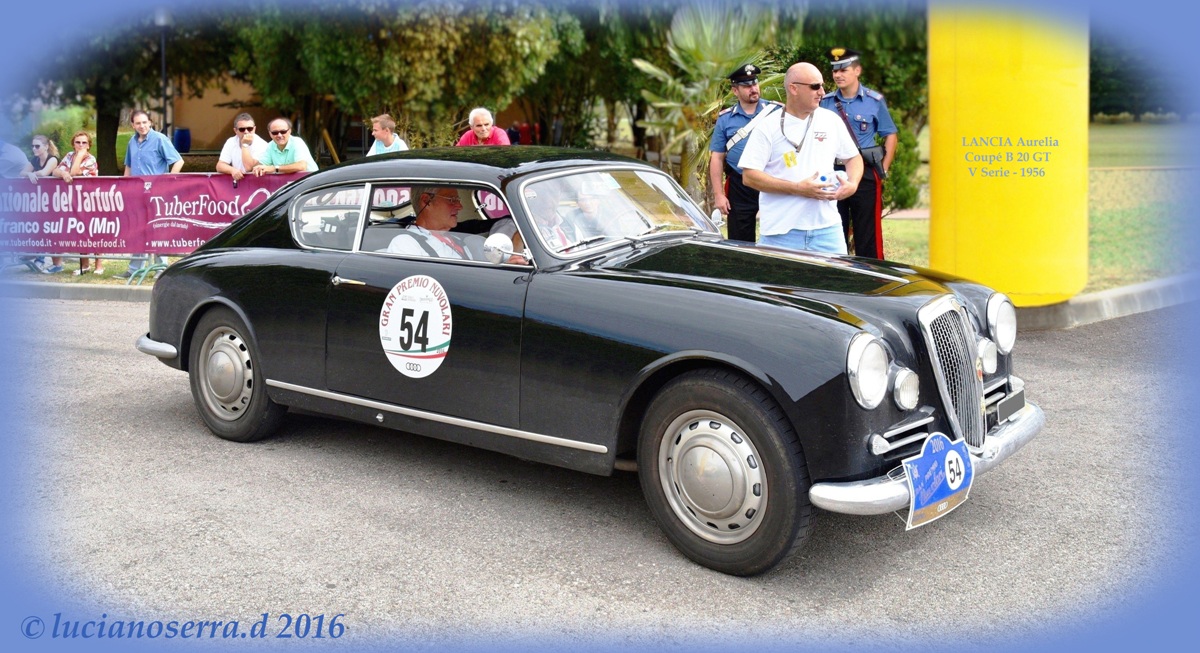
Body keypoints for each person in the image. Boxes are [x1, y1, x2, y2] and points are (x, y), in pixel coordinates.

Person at [739, 62, 863, 255]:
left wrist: (853, 184)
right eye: (815, 86)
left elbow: (853, 158)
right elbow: (749, 176)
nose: (822, 92)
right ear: (793, 88)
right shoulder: (767, 126)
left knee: (835, 276)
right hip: (780, 233)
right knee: (778, 278)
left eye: (822, 86)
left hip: (827, 230)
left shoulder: (831, 120)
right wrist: (797, 189)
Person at [820, 47, 898, 259]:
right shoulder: (825, 102)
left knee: (868, 230)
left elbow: (890, 134)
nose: (838, 75)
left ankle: (871, 272)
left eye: (843, 70)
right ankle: (837, 271)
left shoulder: (874, 101)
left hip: (864, 171)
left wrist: (884, 168)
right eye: (835, 71)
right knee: (833, 227)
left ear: (857, 71)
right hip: (833, 171)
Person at [709, 63, 782, 243]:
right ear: (735, 91)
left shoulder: (776, 111)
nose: (753, 89)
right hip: (740, 185)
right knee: (740, 240)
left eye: (755, 83)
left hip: (772, 180)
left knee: (778, 236)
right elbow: (717, 157)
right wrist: (719, 194)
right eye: (747, 86)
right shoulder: (726, 118)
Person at [121, 110, 184, 279]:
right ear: (133, 125)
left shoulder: (160, 139)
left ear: (150, 122)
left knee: (158, 229)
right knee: (137, 229)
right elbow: (128, 166)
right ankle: (134, 268)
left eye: (144, 122)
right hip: (136, 193)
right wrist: (125, 187)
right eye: (138, 123)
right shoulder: (132, 142)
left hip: (157, 194)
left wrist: (168, 181)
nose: (142, 126)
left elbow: (178, 161)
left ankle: (160, 268)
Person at [54, 131, 104, 275]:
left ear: (89, 145)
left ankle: (99, 266)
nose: (81, 145)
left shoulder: (90, 159)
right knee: (80, 231)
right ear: (73, 144)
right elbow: (55, 171)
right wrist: (63, 173)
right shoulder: (69, 156)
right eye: (78, 142)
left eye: (84, 143)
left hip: (91, 198)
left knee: (94, 231)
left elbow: (75, 172)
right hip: (75, 199)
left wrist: (80, 155)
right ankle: (85, 265)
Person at [386, 186, 474, 259]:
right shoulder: (405, 243)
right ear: (426, 200)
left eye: (458, 200)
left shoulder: (457, 240)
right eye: (452, 199)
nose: (460, 206)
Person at [28, 135, 65, 273]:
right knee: (38, 229)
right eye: (32, 146)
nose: (34, 148)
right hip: (40, 200)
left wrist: (33, 173)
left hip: (55, 200)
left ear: (46, 147)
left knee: (53, 231)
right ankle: (39, 259)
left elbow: (44, 173)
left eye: (37, 146)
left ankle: (55, 264)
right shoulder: (35, 159)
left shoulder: (52, 159)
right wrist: (29, 174)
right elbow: (22, 172)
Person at [252, 117, 318, 176]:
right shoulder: (270, 145)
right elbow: (261, 165)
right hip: (291, 182)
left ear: (290, 131)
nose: (279, 135)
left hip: (311, 181)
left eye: (283, 131)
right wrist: (258, 168)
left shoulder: (297, 142)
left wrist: (275, 168)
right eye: (275, 133)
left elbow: (302, 166)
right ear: (270, 133)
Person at [215, 113, 269, 183]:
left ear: (254, 129)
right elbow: (219, 166)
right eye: (242, 129)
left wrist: (245, 145)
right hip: (239, 182)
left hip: (257, 182)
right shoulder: (231, 141)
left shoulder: (262, 144)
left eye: (250, 129)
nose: (246, 132)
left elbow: (248, 168)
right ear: (235, 131)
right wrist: (232, 170)